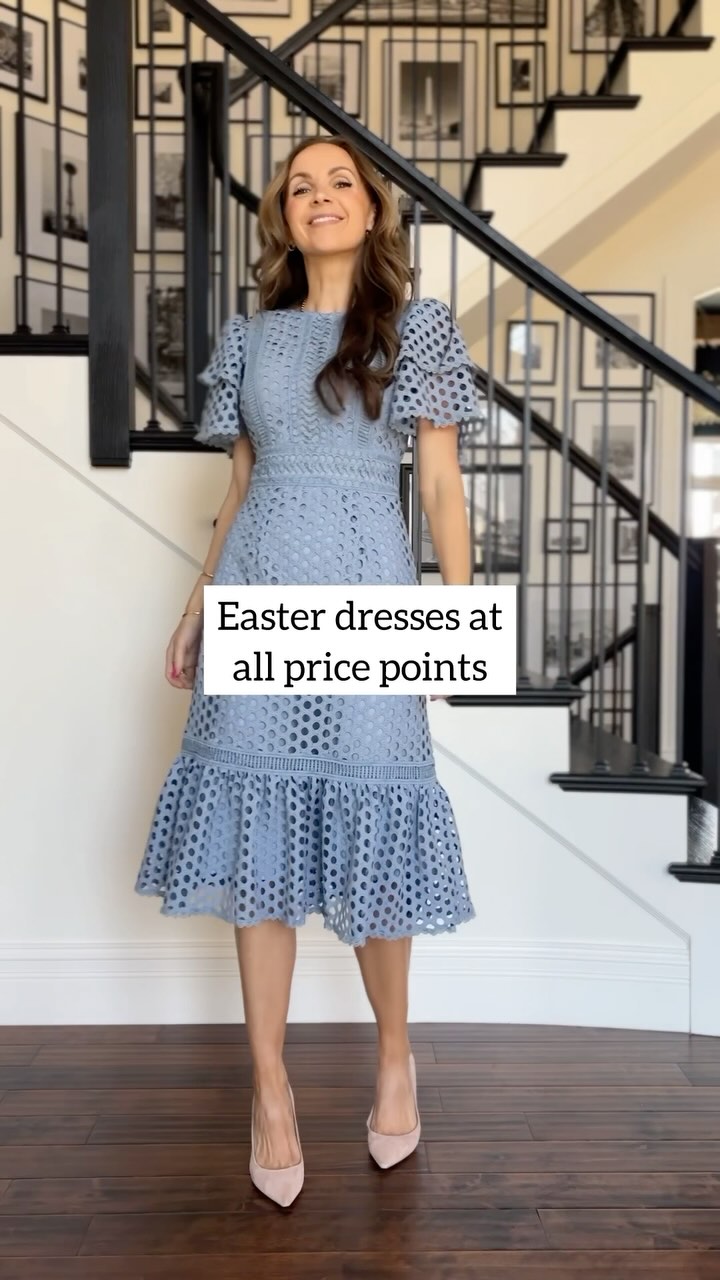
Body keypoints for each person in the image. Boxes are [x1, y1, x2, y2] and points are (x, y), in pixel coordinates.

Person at [134, 134, 481, 1208]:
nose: (320, 197)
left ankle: (394, 1059)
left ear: (372, 209)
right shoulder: (250, 340)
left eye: (340, 183)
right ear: (282, 217)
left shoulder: (417, 327)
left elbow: (440, 487)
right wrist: (197, 607)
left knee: (381, 813)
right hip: (258, 594)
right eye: (300, 187)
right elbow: (239, 488)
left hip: (369, 601)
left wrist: (453, 618)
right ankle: (270, 1088)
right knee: (260, 829)